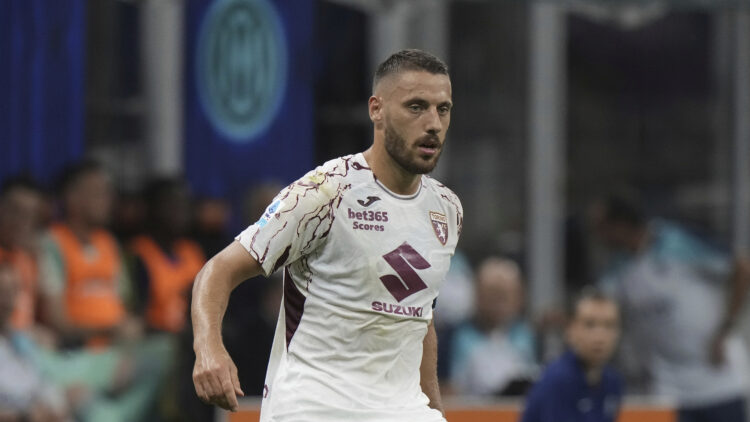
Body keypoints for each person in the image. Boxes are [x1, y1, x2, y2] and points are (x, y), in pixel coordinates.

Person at [192, 49, 462, 422]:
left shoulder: (446, 209)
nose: (433, 123)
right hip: (315, 408)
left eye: (442, 109)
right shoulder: (325, 192)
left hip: (402, 410)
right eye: (416, 107)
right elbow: (218, 270)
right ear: (376, 110)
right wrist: (209, 349)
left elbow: (420, 318)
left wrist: (434, 410)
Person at [592, 193, 750, 422]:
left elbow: (742, 268)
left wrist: (725, 329)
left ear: (620, 225)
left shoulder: (676, 242)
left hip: (719, 378)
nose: (597, 236)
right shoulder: (619, 267)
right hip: (666, 386)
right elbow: (597, 304)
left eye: (601, 228)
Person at [521, 287, 623, 422]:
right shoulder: (556, 380)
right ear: (570, 329)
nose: (599, 336)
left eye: (609, 325)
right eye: (589, 324)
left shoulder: (613, 383)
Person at [449, 257, 536, 396]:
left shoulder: (528, 335)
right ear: (477, 295)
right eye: (492, 294)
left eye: (505, 295)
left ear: (519, 297)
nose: (498, 303)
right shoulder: (454, 338)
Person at [0, 263, 69, 422]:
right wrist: (25, 416)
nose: (7, 299)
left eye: (12, 292)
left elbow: (40, 383)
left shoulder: (21, 340)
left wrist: (55, 406)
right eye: (2, 292)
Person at [0, 176, 43, 332]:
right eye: (15, 211)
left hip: (27, 341)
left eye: (29, 215)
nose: (21, 221)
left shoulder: (29, 260)